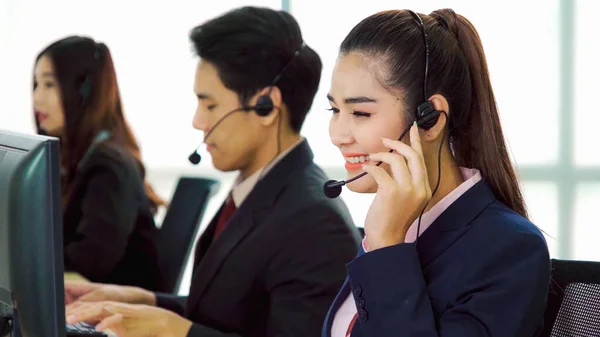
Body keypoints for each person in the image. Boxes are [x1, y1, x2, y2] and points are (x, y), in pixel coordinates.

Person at [64, 7, 361, 337]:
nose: (197, 121)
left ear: (266, 106)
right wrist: (144, 300)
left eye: (210, 105)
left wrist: (179, 332)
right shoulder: (258, 187)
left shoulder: (314, 221)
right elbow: (228, 311)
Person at [322, 8, 551, 337]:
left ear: (429, 119)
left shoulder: (510, 249)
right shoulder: (395, 221)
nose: (337, 135)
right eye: (334, 109)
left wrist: (387, 245)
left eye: (360, 112)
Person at [33, 36, 167, 292]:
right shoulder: (77, 160)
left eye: (49, 84)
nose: (37, 97)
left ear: (84, 92)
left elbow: (89, 263)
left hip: (116, 313)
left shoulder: (109, 166)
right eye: (36, 84)